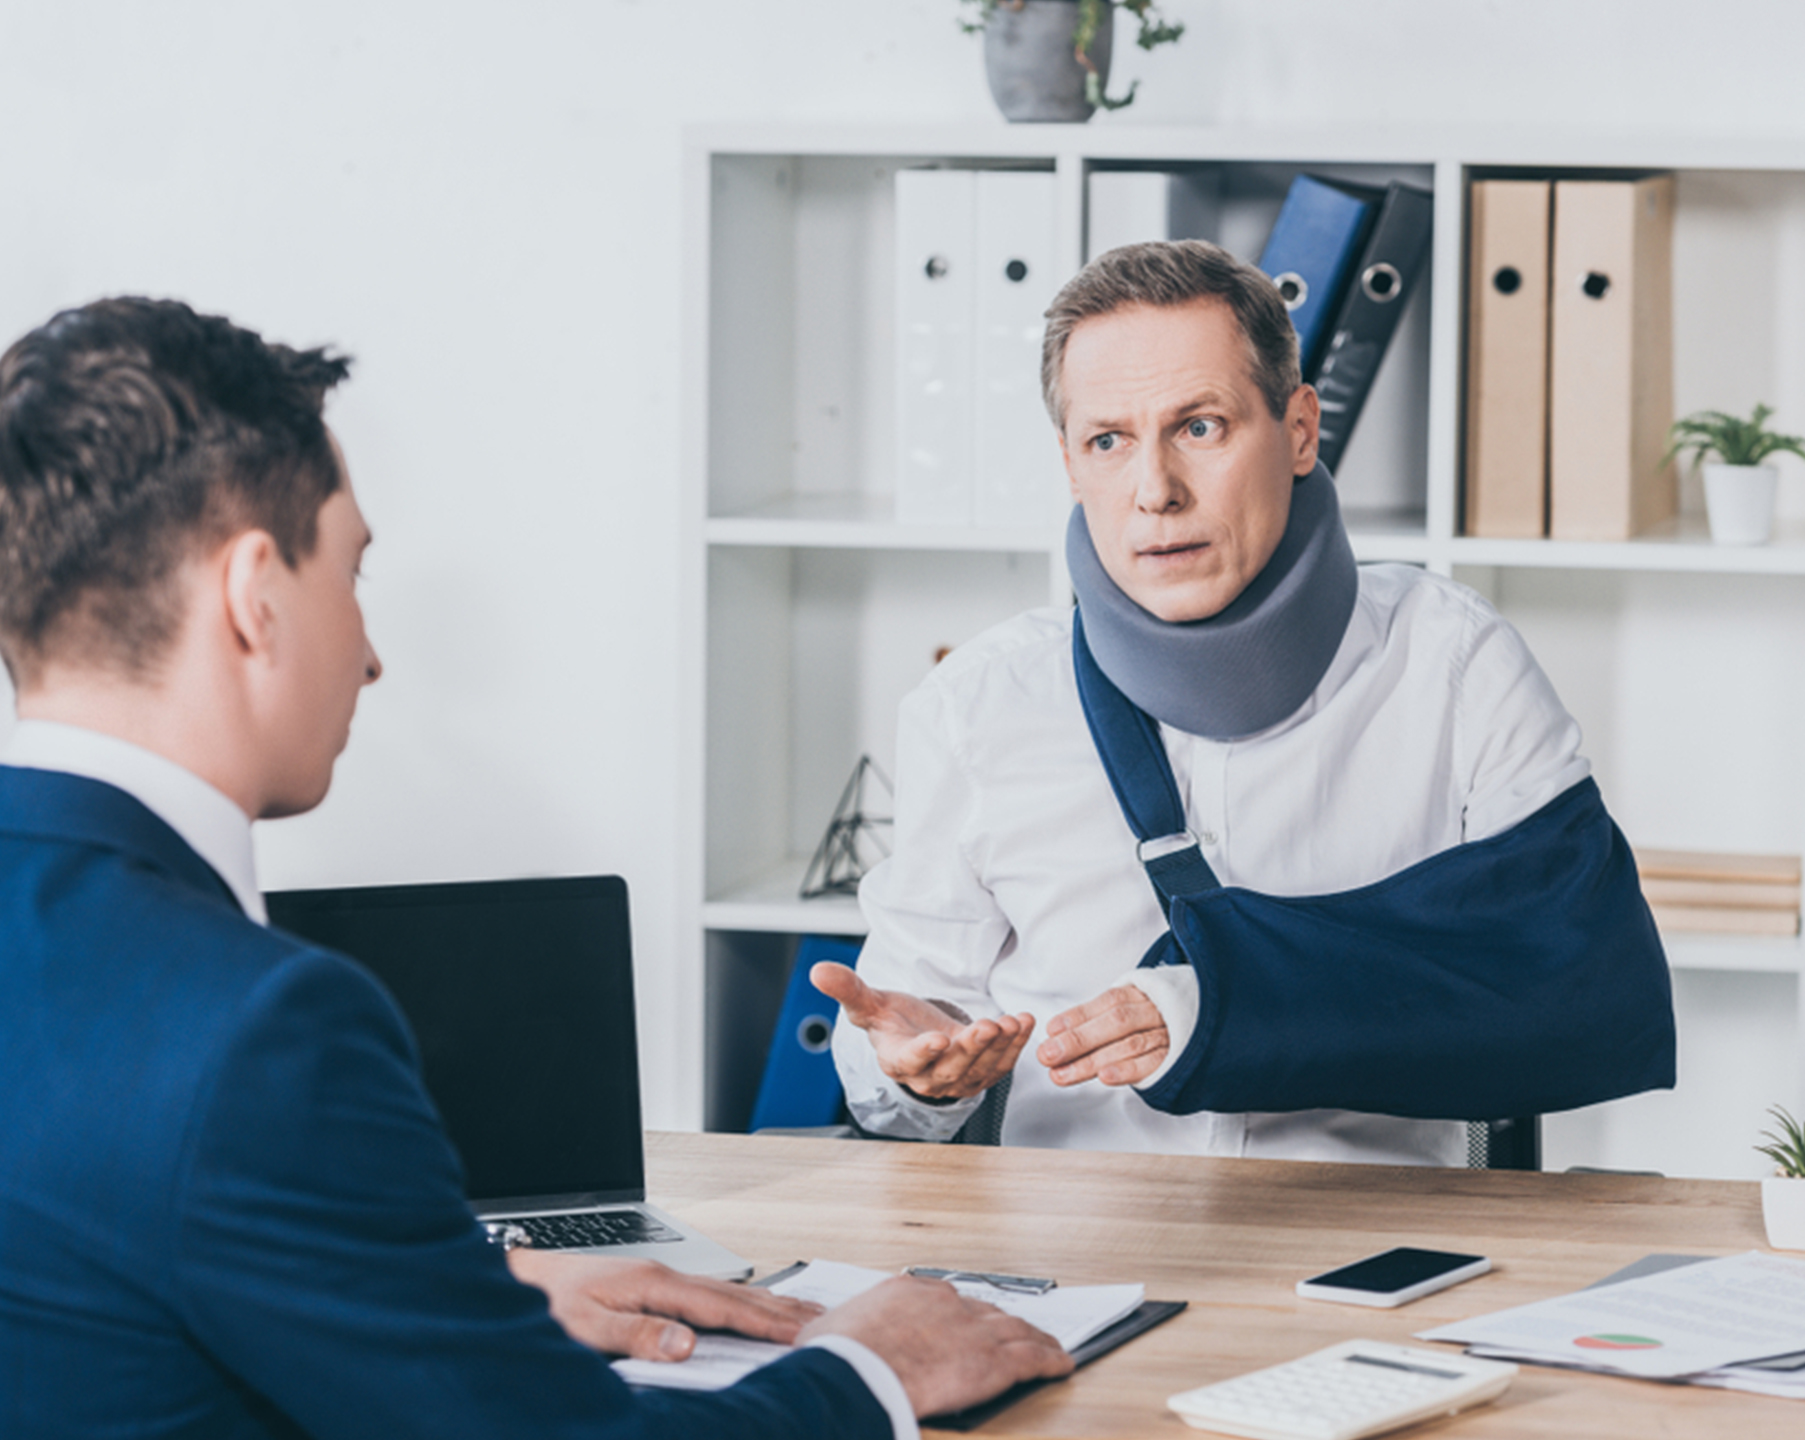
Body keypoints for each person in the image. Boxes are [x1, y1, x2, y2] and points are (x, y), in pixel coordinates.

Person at [0, 297, 1071, 1440]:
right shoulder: (261, 1030)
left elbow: (107, 1266)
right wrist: (870, 1368)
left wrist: (461, 1295)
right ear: (254, 596)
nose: (368, 655)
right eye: (350, 573)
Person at [819, 240, 1674, 1164]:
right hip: (1070, 1263)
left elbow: (1582, 985)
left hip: (1368, 1259)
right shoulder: (975, 706)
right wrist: (915, 1066)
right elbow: (900, 1063)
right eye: (1109, 441)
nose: (1155, 492)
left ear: (1301, 429)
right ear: (1070, 464)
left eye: (1200, 427)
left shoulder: (1453, 664)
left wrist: (1209, 1005)